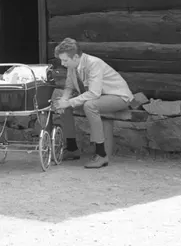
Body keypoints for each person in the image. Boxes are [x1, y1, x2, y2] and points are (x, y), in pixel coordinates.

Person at [53, 38, 134, 169]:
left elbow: (94, 93)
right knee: (63, 102)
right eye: (62, 60)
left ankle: (101, 155)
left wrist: (69, 102)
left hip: (118, 96)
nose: (62, 63)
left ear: (75, 57)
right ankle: (72, 148)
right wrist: (64, 100)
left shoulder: (93, 63)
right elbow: (69, 86)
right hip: (98, 96)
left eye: (65, 60)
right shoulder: (72, 66)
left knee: (90, 105)